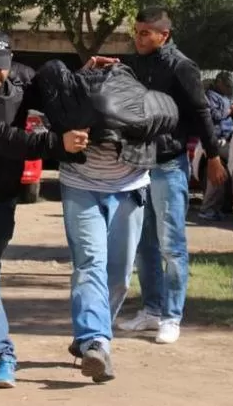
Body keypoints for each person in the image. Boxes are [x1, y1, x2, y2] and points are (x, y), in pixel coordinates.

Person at [0, 31, 89, 388]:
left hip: (5, 198)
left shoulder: (20, 77)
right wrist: (57, 145)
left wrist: (85, 76)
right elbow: (1, 138)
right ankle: (3, 355)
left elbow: (54, 94)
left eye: (2, 69)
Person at [30, 58, 179, 383]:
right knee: (90, 265)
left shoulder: (136, 106)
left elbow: (170, 117)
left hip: (129, 189)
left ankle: (90, 332)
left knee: (120, 276)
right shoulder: (70, 103)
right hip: (81, 188)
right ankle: (96, 340)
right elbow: (46, 83)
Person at [117, 7, 226, 344]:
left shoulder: (181, 66)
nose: (139, 38)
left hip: (168, 165)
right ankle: (151, 311)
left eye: (146, 33)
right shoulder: (134, 63)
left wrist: (214, 156)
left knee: (171, 245)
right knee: (143, 243)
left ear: (164, 35)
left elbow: (201, 112)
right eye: (136, 31)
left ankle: (171, 317)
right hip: (138, 166)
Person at [198, 71, 233, 221]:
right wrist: (230, 110)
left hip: (228, 137)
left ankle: (215, 208)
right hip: (217, 139)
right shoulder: (210, 96)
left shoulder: (226, 97)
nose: (229, 89)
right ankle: (207, 208)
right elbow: (214, 116)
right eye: (227, 86)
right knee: (216, 177)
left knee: (222, 176)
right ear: (219, 83)